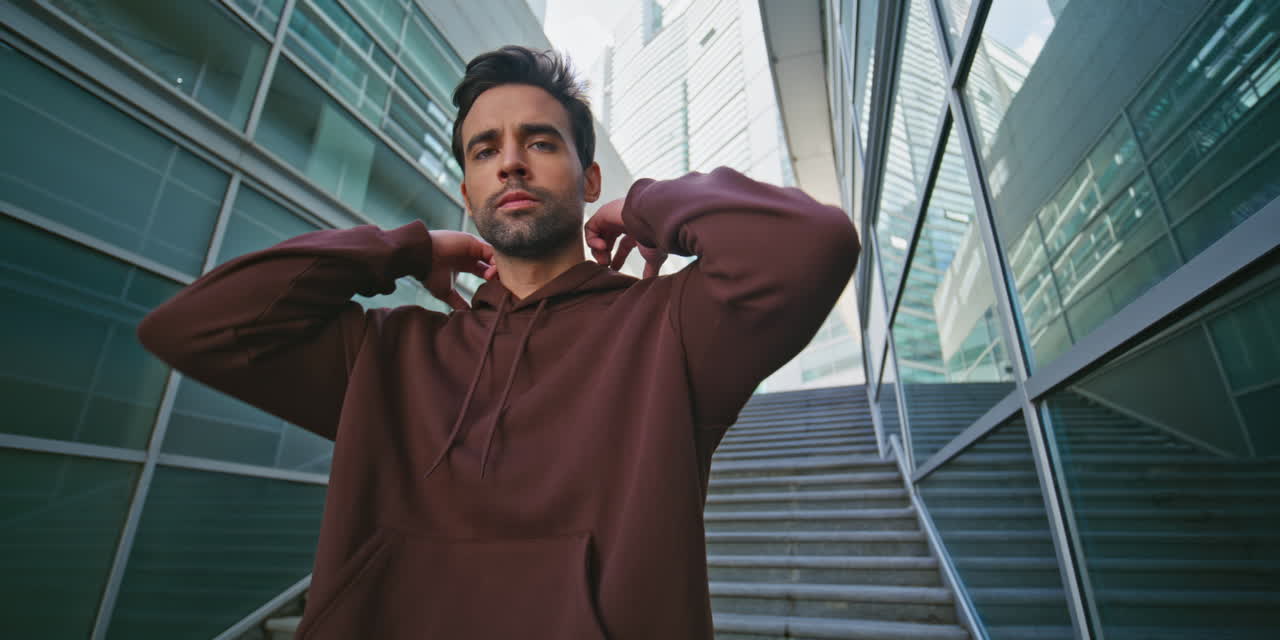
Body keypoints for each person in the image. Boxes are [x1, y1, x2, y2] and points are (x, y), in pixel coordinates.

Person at [137, 45, 859, 639]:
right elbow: (190, 329)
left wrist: (644, 205)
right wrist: (397, 251)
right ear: (468, 188)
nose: (510, 162)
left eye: (540, 142)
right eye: (486, 150)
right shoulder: (386, 354)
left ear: (589, 177)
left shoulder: (669, 330)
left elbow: (813, 245)